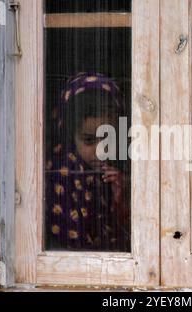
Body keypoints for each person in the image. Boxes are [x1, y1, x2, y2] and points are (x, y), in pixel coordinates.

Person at [45, 72, 130, 252]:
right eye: (89, 140)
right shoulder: (62, 172)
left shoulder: (116, 168)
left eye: (108, 139)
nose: (101, 151)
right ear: (69, 134)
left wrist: (120, 198)